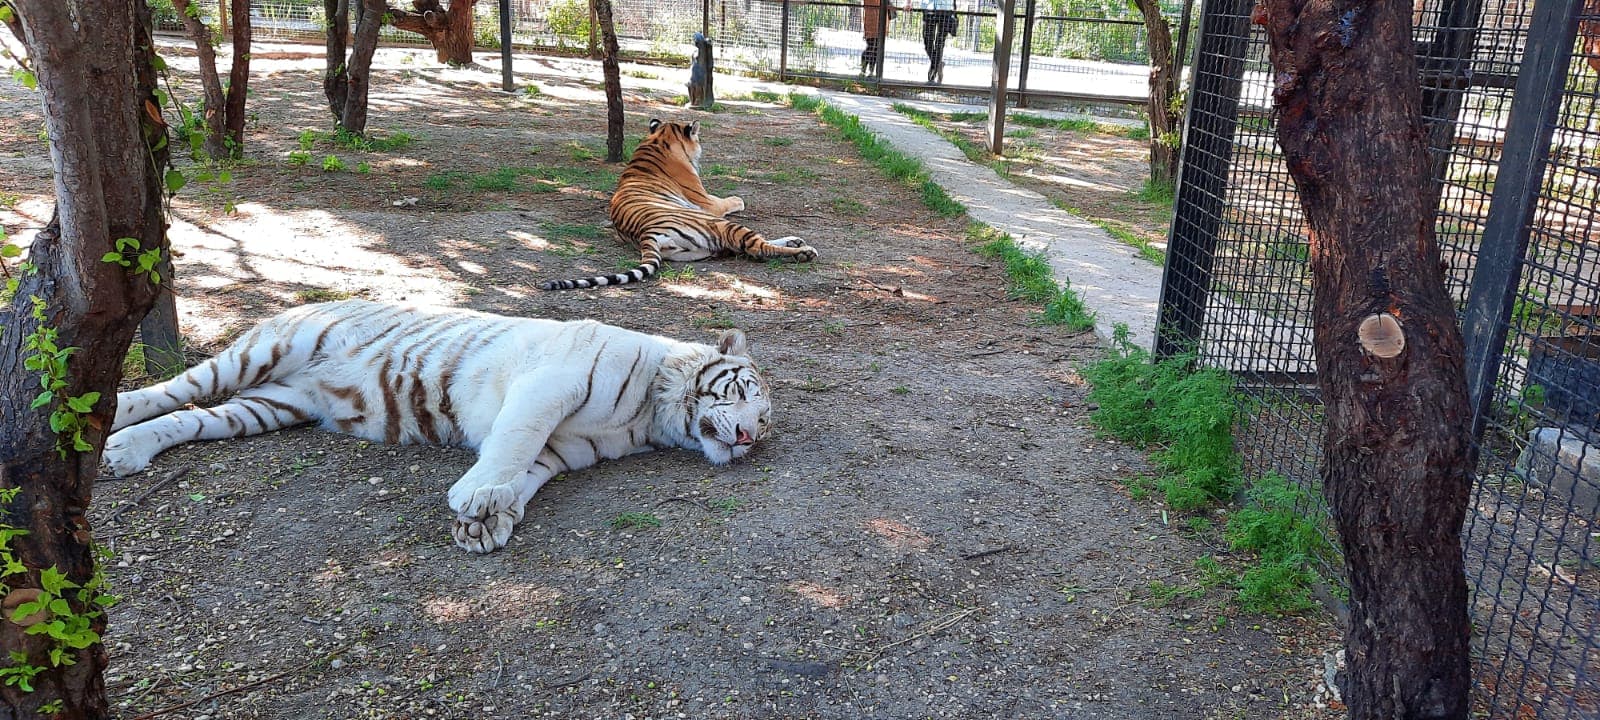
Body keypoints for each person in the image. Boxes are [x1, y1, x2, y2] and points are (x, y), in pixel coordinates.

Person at [910, 0, 959, 84]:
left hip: (945, 9)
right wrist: (908, 2)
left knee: (939, 43)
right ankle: (938, 64)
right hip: (928, 8)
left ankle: (932, 75)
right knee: (927, 41)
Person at [861, 0, 896, 76]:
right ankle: (864, 69)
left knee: (876, 47)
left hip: (881, 19)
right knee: (871, 45)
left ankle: (871, 71)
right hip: (872, 18)